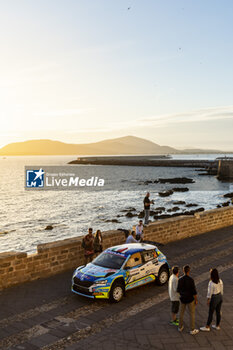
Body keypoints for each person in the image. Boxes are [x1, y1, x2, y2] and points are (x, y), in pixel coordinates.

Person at [177, 265, 199, 335]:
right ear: (189, 271)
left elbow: (178, 290)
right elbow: (194, 291)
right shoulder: (191, 280)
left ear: (183, 271)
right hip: (190, 299)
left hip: (183, 298)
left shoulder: (180, 279)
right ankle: (192, 329)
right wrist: (196, 299)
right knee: (192, 314)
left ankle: (180, 327)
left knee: (181, 313)